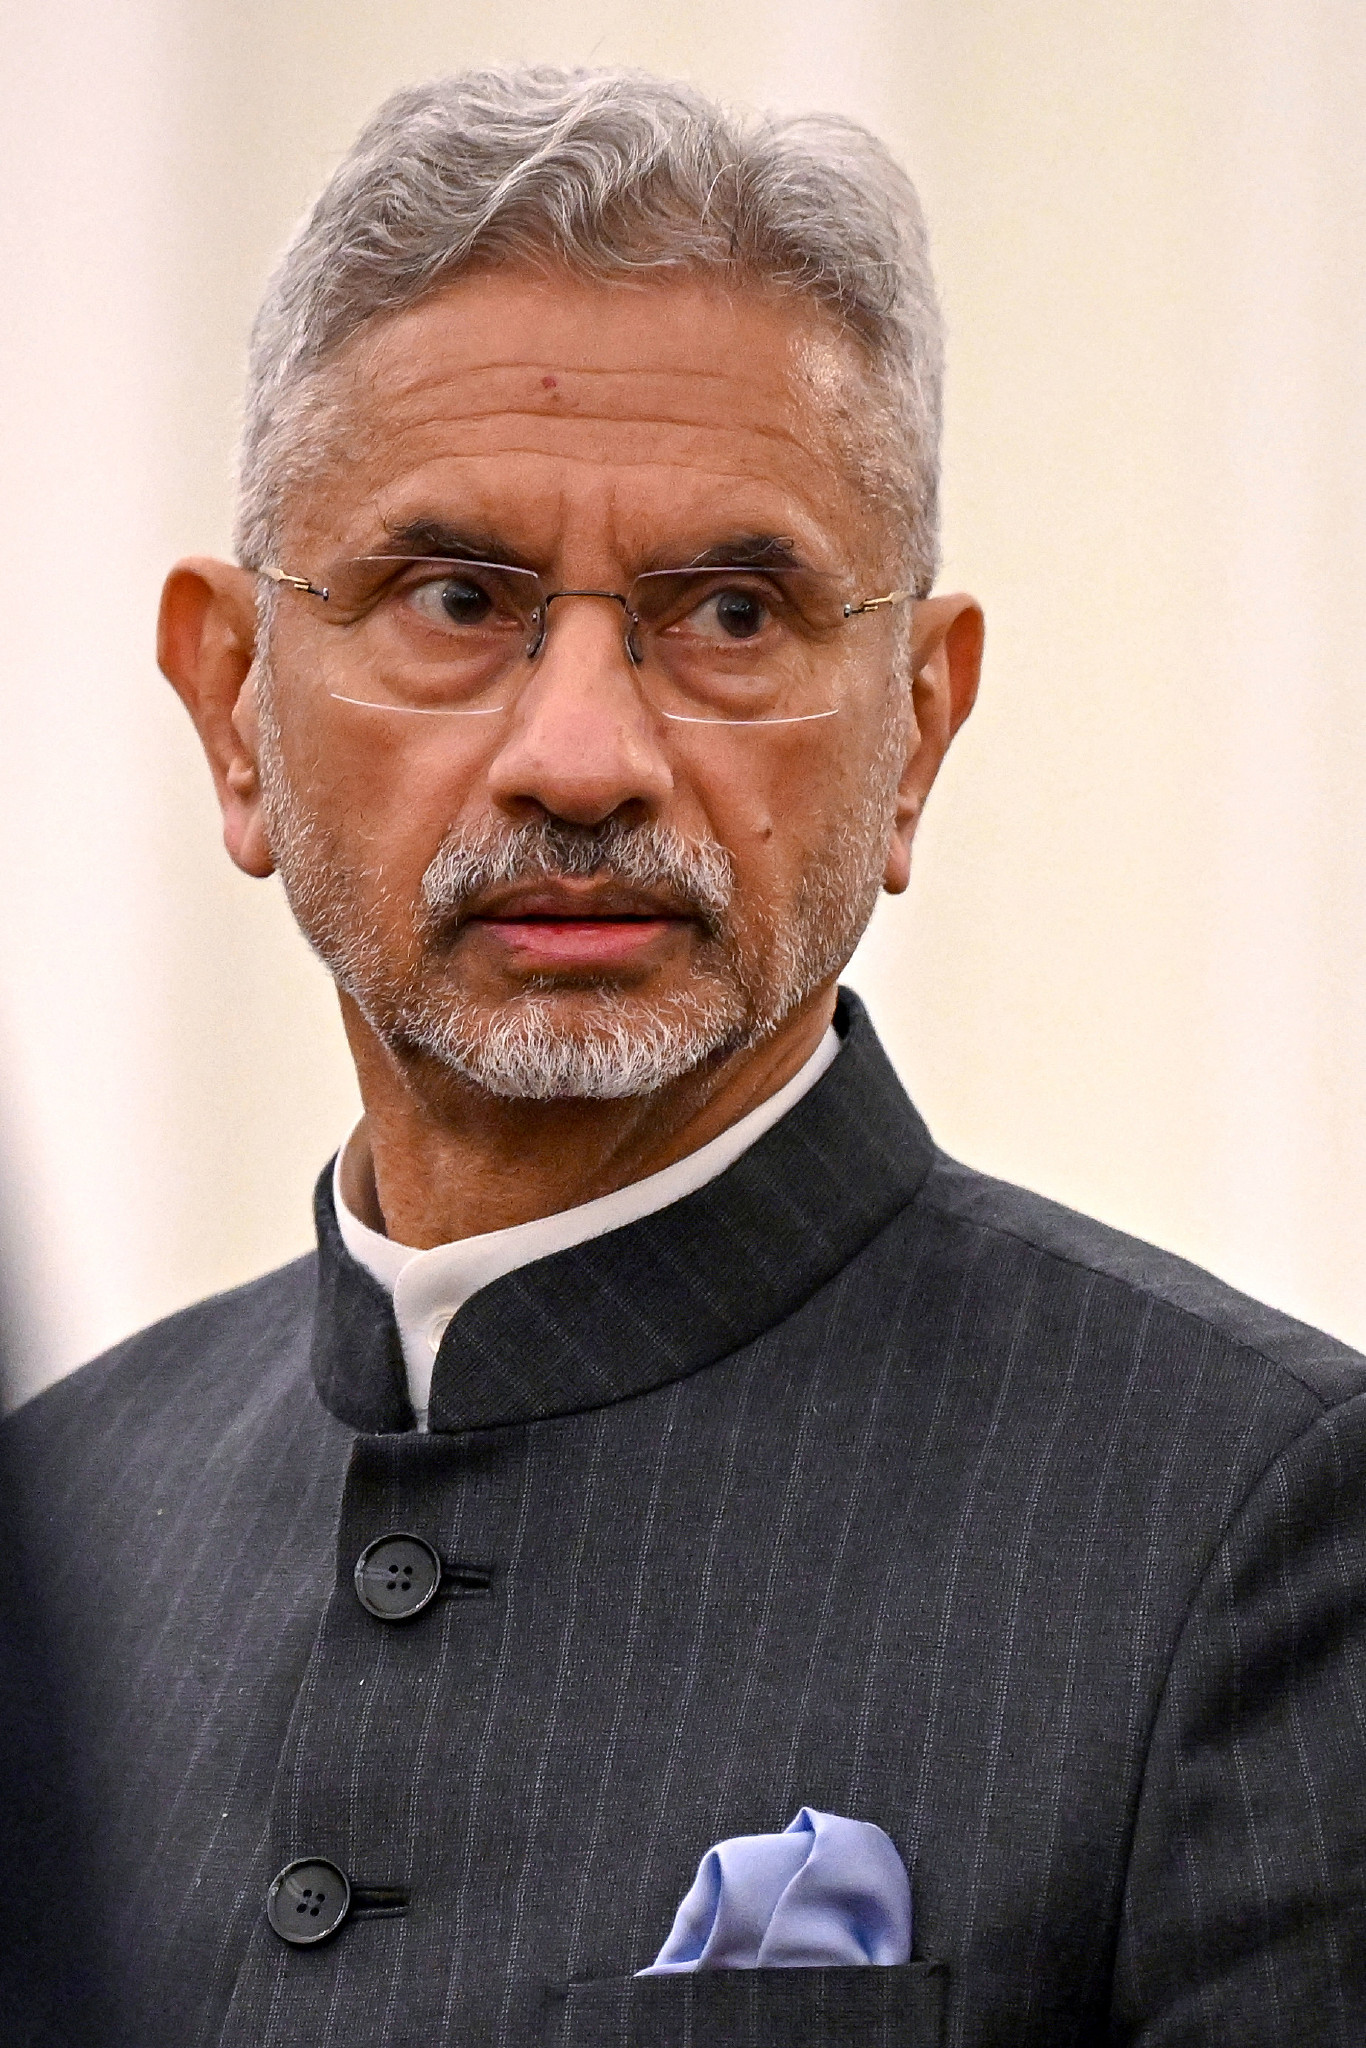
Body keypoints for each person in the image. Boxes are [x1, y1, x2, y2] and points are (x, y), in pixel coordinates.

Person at [5, 65, 1363, 2048]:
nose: (582, 757)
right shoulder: (51, 1526)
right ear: (233, 707)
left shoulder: (1256, 1533)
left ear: (917, 728)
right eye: (453, 598)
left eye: (730, 610)